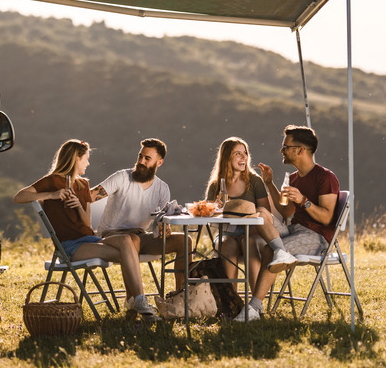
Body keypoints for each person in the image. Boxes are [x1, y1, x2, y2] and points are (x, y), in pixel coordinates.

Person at [13, 139, 158, 317]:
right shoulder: (52, 181)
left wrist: (78, 206)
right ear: (76, 159)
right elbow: (19, 197)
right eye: (86, 159)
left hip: (91, 239)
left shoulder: (83, 185)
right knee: (128, 251)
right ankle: (139, 301)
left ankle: (136, 301)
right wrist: (52, 195)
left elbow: (86, 224)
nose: (88, 163)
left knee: (128, 240)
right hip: (70, 246)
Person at [235, 125, 341, 322]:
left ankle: (254, 308)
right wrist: (269, 183)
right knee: (261, 213)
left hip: (316, 237)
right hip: (294, 229)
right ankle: (279, 252)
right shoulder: (292, 178)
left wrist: (304, 201)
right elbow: (286, 211)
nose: (281, 150)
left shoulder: (326, 177)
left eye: (285, 147)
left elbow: (327, 218)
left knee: (268, 250)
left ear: (300, 150)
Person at [89, 138, 192, 295]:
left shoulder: (162, 189)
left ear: (159, 163)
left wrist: (164, 228)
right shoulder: (122, 177)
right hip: (111, 236)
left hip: (140, 236)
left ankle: (182, 295)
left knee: (184, 241)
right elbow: (90, 196)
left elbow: (161, 221)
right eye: (140, 156)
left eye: (147, 158)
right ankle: (135, 301)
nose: (141, 161)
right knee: (133, 239)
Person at [205, 137, 296, 292]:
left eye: (245, 153)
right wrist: (216, 209)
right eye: (238, 154)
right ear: (227, 156)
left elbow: (264, 214)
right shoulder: (217, 185)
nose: (244, 157)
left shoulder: (254, 181)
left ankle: (255, 302)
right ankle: (232, 301)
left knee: (248, 241)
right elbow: (209, 217)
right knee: (228, 244)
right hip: (227, 232)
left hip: (253, 233)